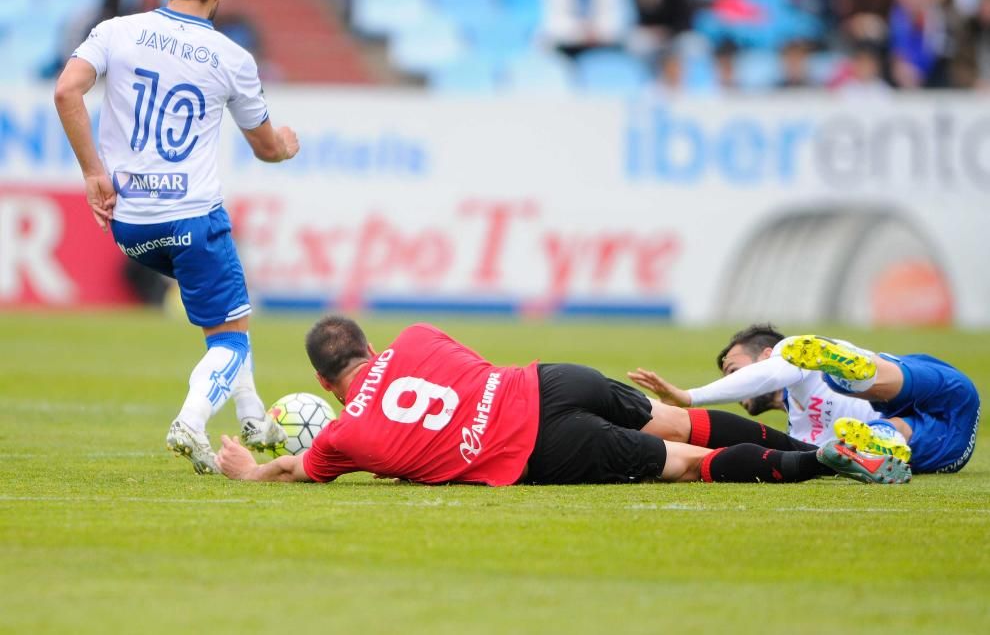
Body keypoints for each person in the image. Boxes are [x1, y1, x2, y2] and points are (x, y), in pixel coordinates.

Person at [54, 0, 300, 474]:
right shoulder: (233, 58)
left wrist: (94, 173)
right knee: (232, 338)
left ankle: (255, 417)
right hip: (192, 217)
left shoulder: (117, 31)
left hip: (129, 225)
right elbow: (266, 149)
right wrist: (287, 142)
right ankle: (191, 421)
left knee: (229, 318)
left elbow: (66, 91)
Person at [215, 317, 911, 486]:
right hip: (548, 380)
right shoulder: (421, 335)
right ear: (368, 344)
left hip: (534, 447)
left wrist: (253, 470)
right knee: (686, 419)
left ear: (326, 383)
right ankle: (843, 446)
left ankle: (828, 459)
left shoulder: (345, 436)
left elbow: (295, 467)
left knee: (690, 461)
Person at [629, 325, 980, 474]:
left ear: (767, 354)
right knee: (870, 435)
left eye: (733, 370)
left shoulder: (795, 357)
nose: (732, 386)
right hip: (944, 446)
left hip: (939, 390)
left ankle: (858, 372)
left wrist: (690, 397)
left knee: (842, 378)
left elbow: (771, 373)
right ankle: (883, 437)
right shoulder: (801, 435)